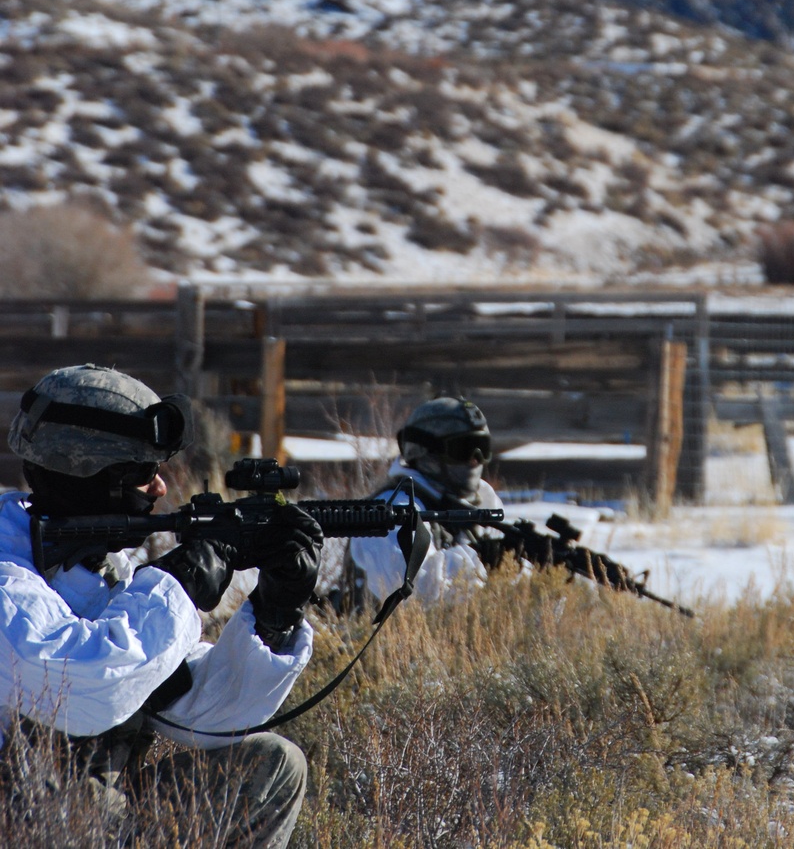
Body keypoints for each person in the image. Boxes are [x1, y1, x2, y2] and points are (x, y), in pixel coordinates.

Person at [0, 363, 324, 849]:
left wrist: (277, 610)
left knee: (273, 764)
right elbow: (74, 689)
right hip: (30, 818)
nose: (159, 489)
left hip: (89, 815)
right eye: (141, 473)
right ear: (85, 477)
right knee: (74, 801)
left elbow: (211, 713)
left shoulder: (103, 571)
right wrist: (180, 583)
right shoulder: (8, 575)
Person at [346, 397, 499, 607]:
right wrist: (484, 560)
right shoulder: (392, 508)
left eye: (482, 448)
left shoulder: (482, 502)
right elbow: (412, 590)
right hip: (382, 638)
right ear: (426, 452)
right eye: (463, 449)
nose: (475, 459)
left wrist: (530, 562)